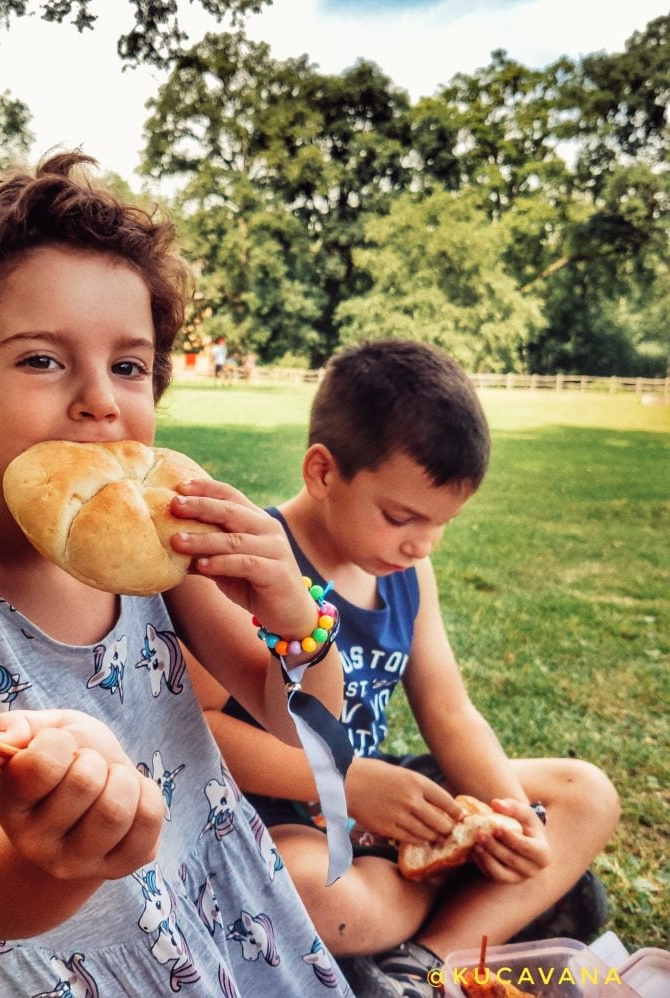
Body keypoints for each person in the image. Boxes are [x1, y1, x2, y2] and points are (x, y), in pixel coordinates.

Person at [0, 152, 354, 996]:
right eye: (43, 360)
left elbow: (303, 730)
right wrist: (64, 852)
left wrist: (294, 615)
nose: (102, 401)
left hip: (214, 910)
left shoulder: (154, 554)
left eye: (129, 365)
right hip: (47, 965)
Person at [188, 340, 621, 998]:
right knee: (311, 890)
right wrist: (351, 782)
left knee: (584, 794)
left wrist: (511, 816)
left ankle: (423, 961)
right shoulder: (257, 564)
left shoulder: (408, 571)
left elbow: (449, 712)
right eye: (400, 517)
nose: (421, 543)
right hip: (285, 813)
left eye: (441, 524)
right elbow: (206, 730)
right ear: (322, 471)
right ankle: (474, 902)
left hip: (390, 797)